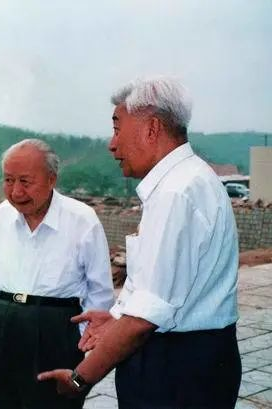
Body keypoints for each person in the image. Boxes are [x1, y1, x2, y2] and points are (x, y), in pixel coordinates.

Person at [38, 76, 242, 408]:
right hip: (197, 360)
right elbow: (160, 293)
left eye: (117, 128)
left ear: (151, 129)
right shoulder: (191, 178)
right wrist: (119, 318)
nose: (111, 144)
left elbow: (144, 319)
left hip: (175, 370)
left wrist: (79, 379)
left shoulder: (175, 193)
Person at [0, 139, 115, 409]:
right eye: (8, 180)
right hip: (0, 324)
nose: (16, 191)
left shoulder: (81, 219)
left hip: (56, 329)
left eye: (25, 181)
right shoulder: (2, 214)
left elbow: (99, 290)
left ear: (52, 179)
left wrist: (78, 337)